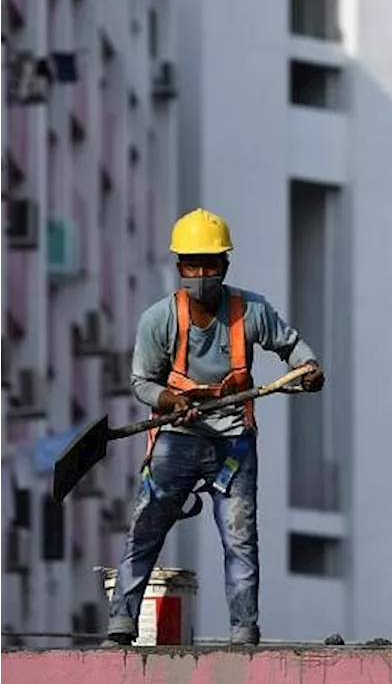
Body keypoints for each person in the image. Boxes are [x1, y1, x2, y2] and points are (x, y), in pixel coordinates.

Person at [104, 208, 325, 647]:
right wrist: (173, 400)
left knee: (241, 539)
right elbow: (142, 382)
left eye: (209, 264)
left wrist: (308, 366)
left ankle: (244, 633)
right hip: (178, 439)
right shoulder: (158, 320)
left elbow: (292, 346)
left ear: (224, 266)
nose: (201, 274)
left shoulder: (251, 311)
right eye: (192, 264)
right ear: (179, 267)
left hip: (233, 444)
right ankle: (121, 623)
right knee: (146, 527)